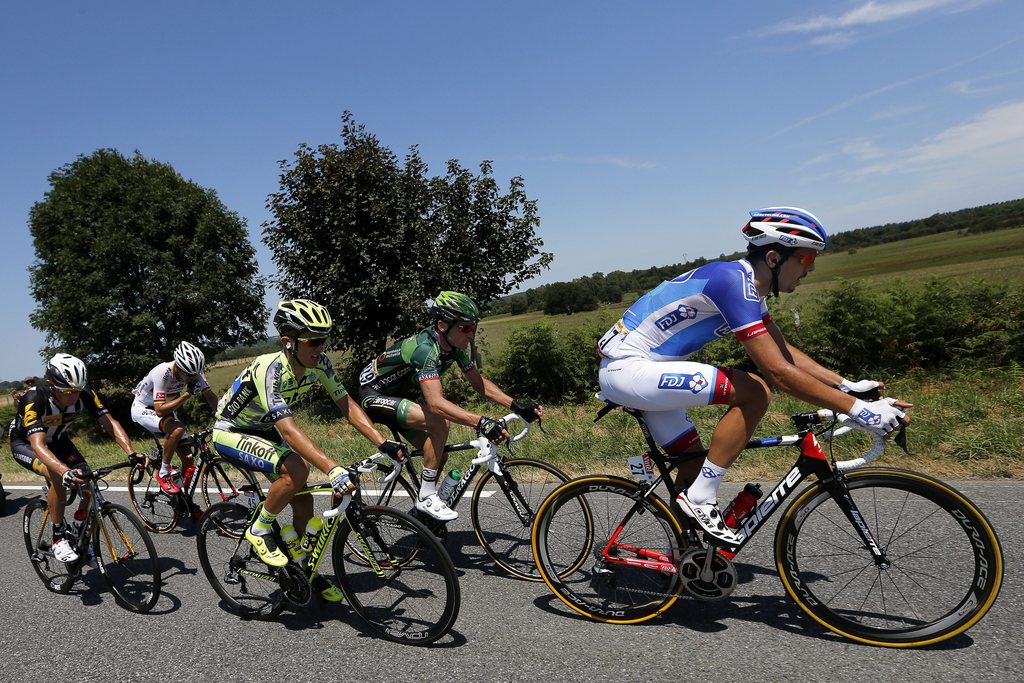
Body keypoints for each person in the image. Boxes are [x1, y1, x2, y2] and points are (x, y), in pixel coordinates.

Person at [597, 207, 911, 546]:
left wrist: (846, 386)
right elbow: (777, 372)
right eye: (806, 258)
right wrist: (858, 410)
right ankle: (702, 497)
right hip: (630, 369)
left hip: (646, 372)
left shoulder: (751, 291)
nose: (812, 268)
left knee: (692, 467)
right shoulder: (733, 282)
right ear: (774, 257)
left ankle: (686, 556)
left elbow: (784, 352)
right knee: (755, 391)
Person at [212, 299, 406, 601]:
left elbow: (346, 404)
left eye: (323, 341)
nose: (320, 348)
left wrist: (382, 442)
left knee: (303, 502)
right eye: (313, 341)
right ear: (289, 342)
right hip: (231, 432)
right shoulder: (270, 369)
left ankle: (301, 567)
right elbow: (288, 430)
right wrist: (332, 467)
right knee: (297, 469)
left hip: (262, 431)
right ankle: (260, 529)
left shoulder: (320, 364)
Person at [357, 291, 544, 522]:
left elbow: (479, 384)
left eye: (473, 327)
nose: (471, 333)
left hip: (402, 398)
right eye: (465, 328)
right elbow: (436, 403)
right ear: (443, 325)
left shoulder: (454, 348)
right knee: (439, 421)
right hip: (374, 395)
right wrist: (481, 421)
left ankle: (419, 516)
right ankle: (426, 496)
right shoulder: (425, 349)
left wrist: (516, 405)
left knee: (437, 455)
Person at [8, 353, 141, 562]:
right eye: (68, 391)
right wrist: (64, 471)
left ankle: (79, 531)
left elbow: (109, 422)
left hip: (59, 441)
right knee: (57, 478)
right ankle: (58, 537)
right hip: (26, 445)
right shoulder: (34, 398)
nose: (74, 397)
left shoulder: (83, 392)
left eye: (77, 391)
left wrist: (131, 452)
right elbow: (39, 445)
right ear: (51, 385)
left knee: (88, 485)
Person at [131, 341, 219, 502]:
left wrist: (222, 415)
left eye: (196, 374)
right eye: (189, 375)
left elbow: (211, 399)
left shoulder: (194, 371)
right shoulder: (162, 373)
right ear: (178, 367)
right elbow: (160, 410)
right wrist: (187, 395)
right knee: (177, 429)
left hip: (167, 409)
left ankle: (185, 502)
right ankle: (163, 472)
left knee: (188, 461)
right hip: (145, 407)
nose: (193, 378)